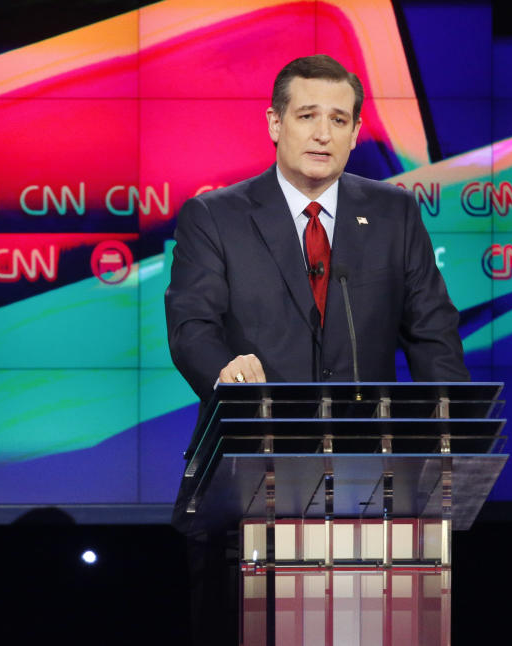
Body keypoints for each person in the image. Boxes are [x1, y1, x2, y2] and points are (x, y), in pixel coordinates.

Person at [164, 54, 469, 645]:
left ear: (357, 133)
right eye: (307, 115)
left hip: (373, 492)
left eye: (339, 118)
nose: (323, 133)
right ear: (276, 124)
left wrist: (449, 433)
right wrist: (223, 371)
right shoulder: (215, 216)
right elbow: (192, 326)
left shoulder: (393, 213)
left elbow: (433, 335)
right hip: (252, 482)